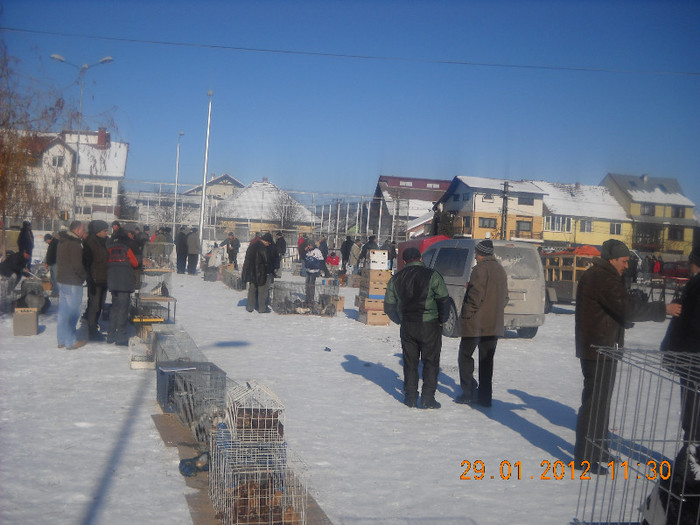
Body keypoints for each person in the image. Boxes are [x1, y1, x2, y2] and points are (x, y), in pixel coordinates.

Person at [574, 239, 680, 474]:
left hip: (602, 347)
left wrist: (622, 322)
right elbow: (626, 307)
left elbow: (614, 309)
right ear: (612, 260)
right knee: (594, 404)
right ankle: (585, 457)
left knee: (601, 403)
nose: (626, 265)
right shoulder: (602, 277)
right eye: (623, 261)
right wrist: (662, 309)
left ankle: (598, 449)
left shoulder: (604, 276)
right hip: (598, 349)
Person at [384, 247, 449, 409]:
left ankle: (410, 397)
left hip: (408, 325)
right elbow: (443, 300)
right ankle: (428, 398)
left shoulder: (396, 279)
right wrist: (442, 319)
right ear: (420, 258)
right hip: (430, 325)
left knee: (410, 362)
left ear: (404, 261)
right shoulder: (432, 275)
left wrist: (400, 320)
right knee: (431, 362)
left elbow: (389, 306)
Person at [455, 239, 509, 407]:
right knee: (486, 361)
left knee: (465, 356)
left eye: (476, 254)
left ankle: (468, 391)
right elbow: (505, 298)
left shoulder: (479, 270)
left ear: (480, 254)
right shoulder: (500, 270)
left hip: (475, 324)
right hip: (493, 324)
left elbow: (474, 296)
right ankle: (485, 397)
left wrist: (466, 315)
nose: (476, 257)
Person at [661, 247, 700, 441]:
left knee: (693, 413)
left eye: (690, 262)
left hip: (692, 358)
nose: (688, 267)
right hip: (690, 357)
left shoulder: (697, 284)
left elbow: (693, 322)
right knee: (693, 413)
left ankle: (690, 463)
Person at [56, 221, 88, 350]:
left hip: (62, 279)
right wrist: (84, 276)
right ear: (78, 229)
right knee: (73, 312)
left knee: (63, 312)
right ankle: (71, 341)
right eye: (83, 229)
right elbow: (77, 265)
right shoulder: (75, 244)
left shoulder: (62, 241)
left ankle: (62, 339)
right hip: (72, 281)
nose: (84, 232)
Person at [106, 229, 139, 345]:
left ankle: (110, 335)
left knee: (114, 308)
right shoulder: (126, 249)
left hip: (113, 282)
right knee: (123, 310)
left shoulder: (109, 249)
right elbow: (135, 263)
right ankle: (121, 336)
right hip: (124, 283)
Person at [83, 220, 109, 341]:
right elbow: (87, 262)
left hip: (104, 278)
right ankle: (91, 331)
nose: (107, 232)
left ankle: (94, 325)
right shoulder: (90, 242)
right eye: (105, 230)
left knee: (100, 304)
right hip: (95, 279)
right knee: (95, 305)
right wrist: (90, 278)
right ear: (98, 231)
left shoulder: (105, 241)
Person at [242, 232, 273, 313]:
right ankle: (262, 308)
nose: (269, 244)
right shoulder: (263, 248)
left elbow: (247, 261)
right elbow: (266, 261)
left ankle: (249, 307)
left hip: (252, 272)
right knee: (262, 292)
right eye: (268, 242)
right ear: (265, 241)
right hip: (261, 273)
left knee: (252, 290)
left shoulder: (252, 246)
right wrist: (269, 270)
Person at [304, 240, 324, 305]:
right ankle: (307, 298)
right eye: (308, 245)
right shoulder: (308, 251)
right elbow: (303, 258)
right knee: (307, 284)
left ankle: (311, 298)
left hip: (314, 271)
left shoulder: (317, 251)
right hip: (308, 270)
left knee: (311, 285)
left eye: (309, 245)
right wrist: (305, 251)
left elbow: (321, 260)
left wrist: (317, 267)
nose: (308, 246)